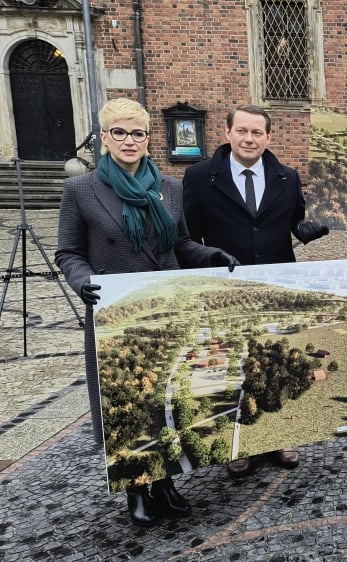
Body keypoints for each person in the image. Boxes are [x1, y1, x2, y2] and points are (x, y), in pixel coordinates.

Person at [55, 98, 238, 527]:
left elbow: (179, 244)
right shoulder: (81, 189)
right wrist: (84, 282)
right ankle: (136, 485)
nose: (129, 140)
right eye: (119, 132)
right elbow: (68, 252)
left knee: (167, 396)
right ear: (104, 138)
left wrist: (210, 255)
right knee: (129, 404)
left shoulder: (170, 187)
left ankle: (166, 481)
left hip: (167, 308)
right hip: (116, 310)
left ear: (148, 138)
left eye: (137, 133)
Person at [183, 104, 328, 477]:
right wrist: (207, 261)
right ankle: (239, 442)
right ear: (228, 133)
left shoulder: (287, 177)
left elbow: (294, 221)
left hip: (275, 284)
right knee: (233, 364)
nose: (249, 139)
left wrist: (306, 230)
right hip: (224, 286)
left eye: (257, 133)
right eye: (242, 131)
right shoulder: (200, 177)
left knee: (274, 359)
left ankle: (278, 435)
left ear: (268, 137)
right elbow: (187, 237)